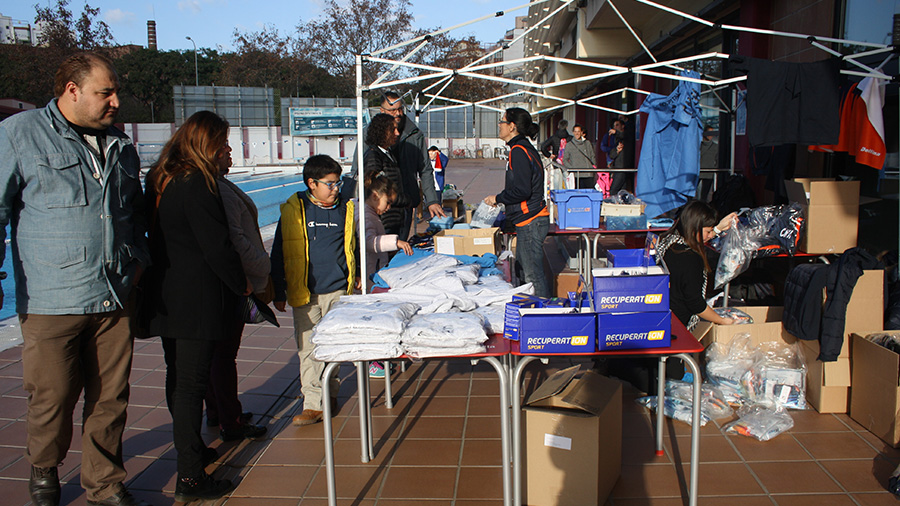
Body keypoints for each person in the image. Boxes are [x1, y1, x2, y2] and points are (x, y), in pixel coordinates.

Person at [0, 52, 151, 506]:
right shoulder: (19, 135)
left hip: (112, 295)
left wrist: (138, 259)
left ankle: (104, 483)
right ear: (72, 90)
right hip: (53, 298)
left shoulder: (121, 143)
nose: (116, 102)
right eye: (105, 92)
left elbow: (133, 211)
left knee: (111, 399)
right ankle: (45, 469)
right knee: (52, 398)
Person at [143, 111, 250, 502]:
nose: (226, 149)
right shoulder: (196, 182)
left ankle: (191, 451)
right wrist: (242, 286)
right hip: (196, 301)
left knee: (179, 380)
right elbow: (217, 247)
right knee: (190, 385)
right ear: (205, 143)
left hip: (167, 296)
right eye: (221, 143)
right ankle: (190, 476)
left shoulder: (161, 177)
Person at [270, 154, 358, 426]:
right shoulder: (294, 210)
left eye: (338, 183)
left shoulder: (346, 209)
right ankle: (312, 403)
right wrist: (278, 289)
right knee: (308, 348)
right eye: (330, 184)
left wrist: (356, 279)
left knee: (333, 346)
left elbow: (354, 246)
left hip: (338, 291)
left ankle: (329, 394)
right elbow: (279, 251)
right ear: (311, 183)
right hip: (305, 293)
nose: (336, 188)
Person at [204, 137, 269, 442]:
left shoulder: (216, 184)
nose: (230, 152)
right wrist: (263, 267)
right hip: (233, 282)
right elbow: (237, 240)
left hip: (225, 282)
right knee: (223, 355)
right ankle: (231, 418)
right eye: (223, 147)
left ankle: (220, 411)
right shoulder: (217, 189)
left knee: (218, 354)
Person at [352, 92, 445, 239]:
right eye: (393, 110)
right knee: (385, 247)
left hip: (404, 206)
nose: (398, 113)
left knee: (398, 244)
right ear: (382, 111)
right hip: (383, 210)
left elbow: (425, 169)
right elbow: (361, 173)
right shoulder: (369, 140)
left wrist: (431, 200)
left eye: (400, 109)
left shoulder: (415, 134)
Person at [484, 108, 551, 298]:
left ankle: (544, 314)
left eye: (502, 121)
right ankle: (532, 309)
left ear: (512, 126)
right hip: (527, 220)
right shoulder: (520, 148)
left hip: (531, 219)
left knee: (532, 274)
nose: (499, 125)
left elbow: (522, 190)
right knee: (524, 271)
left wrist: (497, 198)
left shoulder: (519, 151)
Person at [362, 169, 412, 378]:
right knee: (372, 319)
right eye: (387, 202)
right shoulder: (363, 214)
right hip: (366, 275)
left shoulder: (371, 213)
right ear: (375, 196)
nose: (389, 208)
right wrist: (395, 241)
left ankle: (378, 357)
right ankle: (373, 361)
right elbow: (367, 242)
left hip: (374, 271)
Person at [657, 200, 737, 330]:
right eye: (708, 232)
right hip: (679, 326)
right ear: (694, 228)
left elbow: (700, 235)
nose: (711, 236)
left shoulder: (668, 241)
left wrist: (718, 228)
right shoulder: (691, 259)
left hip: (665, 315)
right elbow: (696, 304)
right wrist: (722, 321)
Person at [363, 114, 403, 236]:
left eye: (397, 129)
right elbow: (375, 187)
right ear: (381, 131)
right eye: (392, 130)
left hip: (392, 218)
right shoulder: (374, 156)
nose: (397, 133)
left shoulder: (387, 153)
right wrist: (405, 200)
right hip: (384, 221)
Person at [562, 124, 597, 189]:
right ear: (573, 132)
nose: (577, 133)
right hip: (577, 175)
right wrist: (572, 169)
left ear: (581, 132)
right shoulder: (569, 145)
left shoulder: (587, 143)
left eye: (578, 131)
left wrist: (593, 167)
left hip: (588, 174)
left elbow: (592, 156)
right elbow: (565, 159)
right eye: (575, 131)